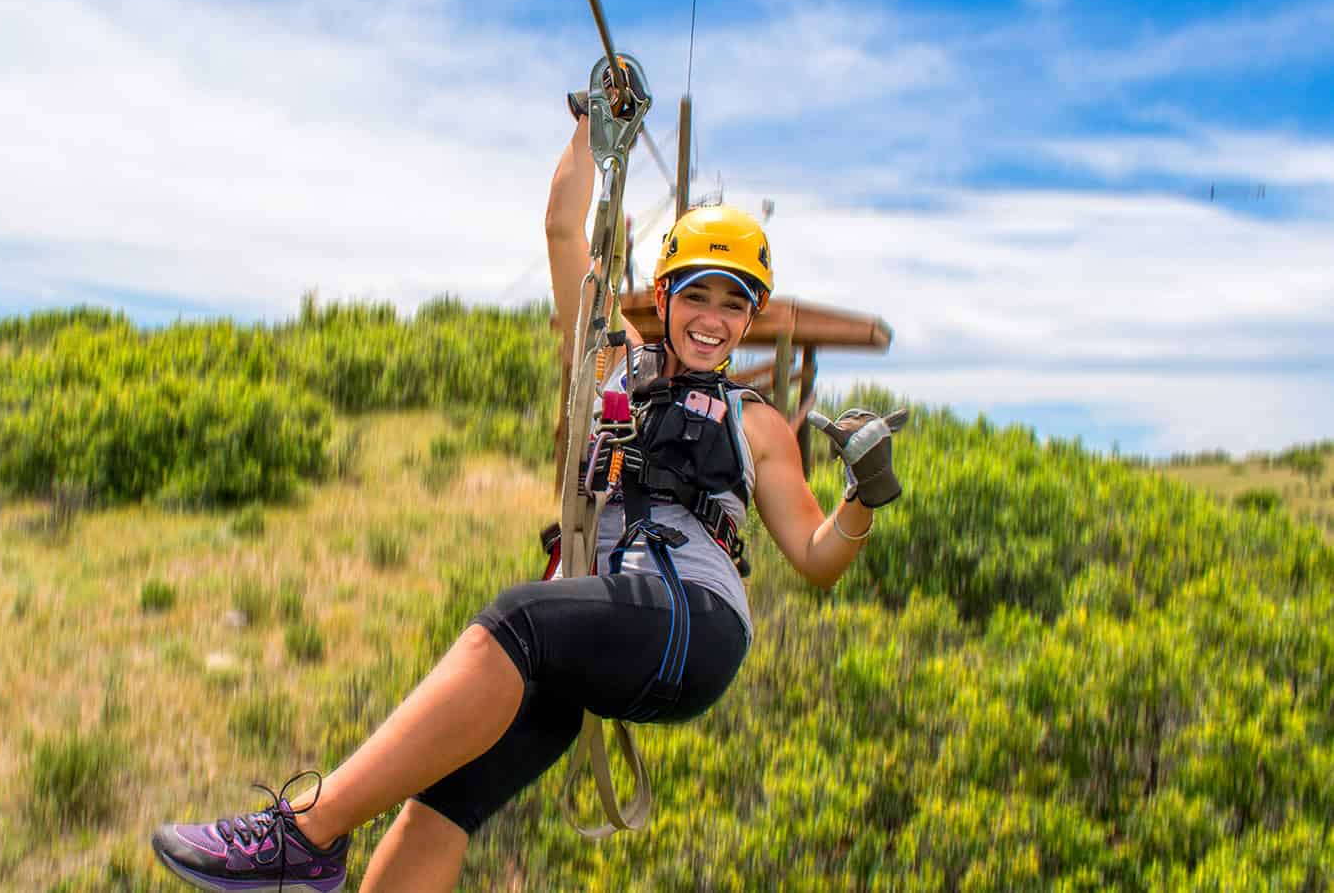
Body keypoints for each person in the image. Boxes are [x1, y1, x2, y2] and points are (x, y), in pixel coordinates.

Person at [151, 99, 907, 893]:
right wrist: (594, 125)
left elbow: (819, 559)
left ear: (751, 316)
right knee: (443, 798)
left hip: (697, 623)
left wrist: (865, 492)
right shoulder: (613, 357)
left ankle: (302, 836)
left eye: (734, 304)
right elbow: (562, 229)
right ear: (666, 292)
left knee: (518, 621)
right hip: (607, 624)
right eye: (698, 295)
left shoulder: (757, 424)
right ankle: (318, 845)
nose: (713, 320)